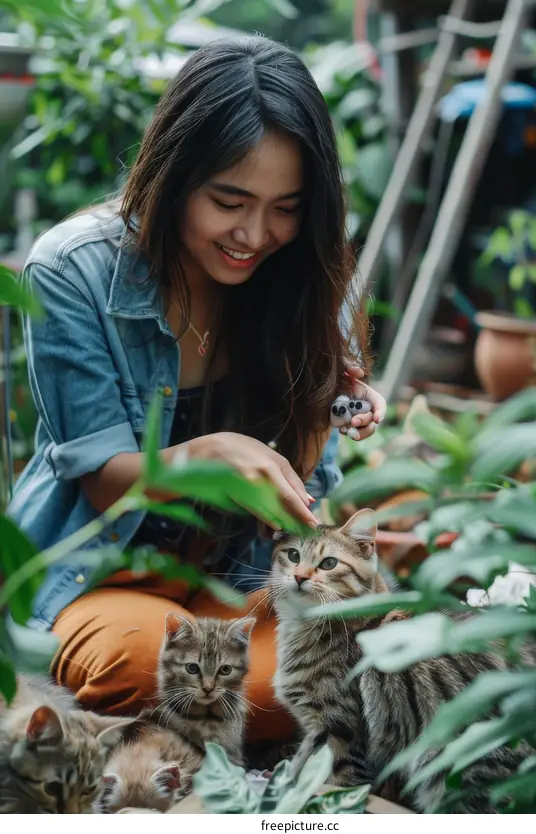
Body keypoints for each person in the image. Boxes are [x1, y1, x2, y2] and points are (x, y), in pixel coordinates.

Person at [8, 36, 386, 743]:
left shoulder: (307, 270)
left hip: (247, 580)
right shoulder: (71, 271)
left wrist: (324, 397)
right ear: (174, 174)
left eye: (286, 207)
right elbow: (103, 486)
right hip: (104, 578)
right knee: (142, 663)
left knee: (391, 614)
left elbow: (303, 500)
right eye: (229, 200)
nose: (253, 233)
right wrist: (210, 454)